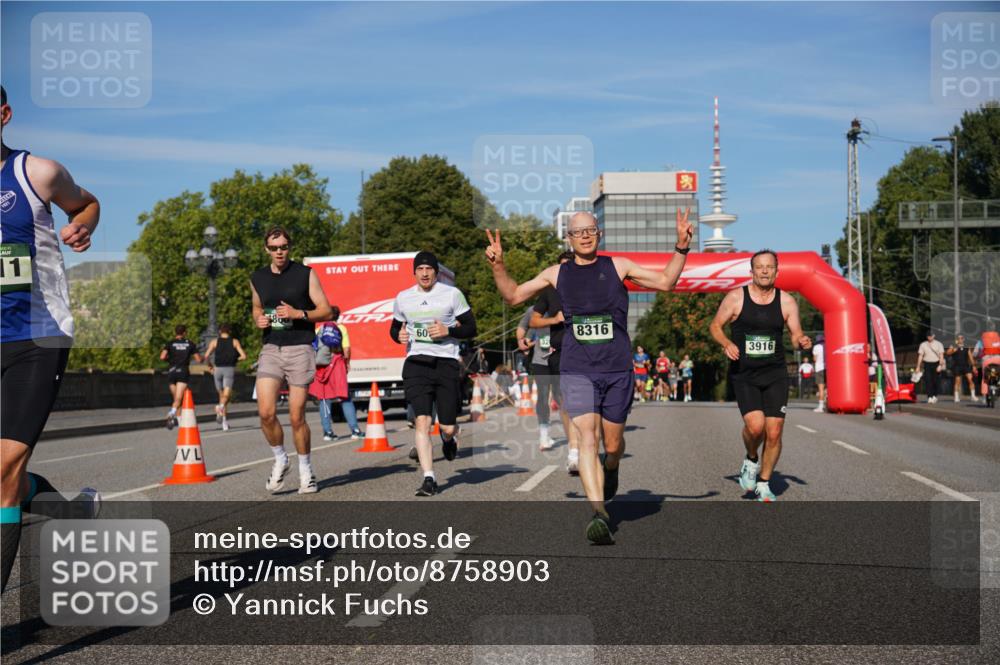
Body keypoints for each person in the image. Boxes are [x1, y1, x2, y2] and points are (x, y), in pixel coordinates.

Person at [486, 208, 693, 544]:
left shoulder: (618, 266)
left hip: (616, 369)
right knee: (587, 437)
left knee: (612, 445)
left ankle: (612, 466)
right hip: (577, 368)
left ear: (600, 234)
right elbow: (512, 296)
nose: (584, 235)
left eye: (590, 230)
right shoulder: (556, 273)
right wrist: (498, 265)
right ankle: (599, 514)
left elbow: (666, 282)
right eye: (577, 231)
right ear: (568, 238)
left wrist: (681, 248)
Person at [1, 85, 102, 592]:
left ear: (4, 114)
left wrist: (81, 226)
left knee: (3, 468)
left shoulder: (37, 172)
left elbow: (86, 204)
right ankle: (68, 509)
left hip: (37, 336)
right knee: (6, 476)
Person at [709, 249, 812, 503]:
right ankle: (751, 457)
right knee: (755, 428)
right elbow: (714, 325)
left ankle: (764, 483)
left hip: (775, 372)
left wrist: (802, 341)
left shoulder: (787, 301)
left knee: (774, 432)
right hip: (745, 373)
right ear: (751, 271)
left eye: (769, 267)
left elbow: (796, 334)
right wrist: (725, 343)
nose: (764, 271)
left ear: (777, 272)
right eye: (759, 267)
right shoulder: (736, 298)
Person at [251, 227, 333, 494]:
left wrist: (299, 313)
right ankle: (280, 458)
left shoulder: (305, 274)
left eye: (284, 247)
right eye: (274, 248)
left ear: (290, 247)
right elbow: (256, 306)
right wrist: (258, 319)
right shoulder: (258, 278)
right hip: (271, 348)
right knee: (265, 413)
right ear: (266, 249)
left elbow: (326, 310)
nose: (279, 252)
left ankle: (306, 470)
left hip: (299, 348)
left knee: (297, 416)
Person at [391, 251, 477, 497]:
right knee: (422, 420)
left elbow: (471, 327)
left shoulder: (452, 294)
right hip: (416, 363)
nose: (425, 273)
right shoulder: (403, 298)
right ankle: (429, 478)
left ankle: (449, 439)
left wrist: (447, 330)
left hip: (446, 363)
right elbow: (394, 328)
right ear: (414, 272)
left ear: (436, 273)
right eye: (420, 269)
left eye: (429, 269)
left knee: (447, 426)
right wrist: (399, 336)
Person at [528, 251, 579, 465]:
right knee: (566, 403)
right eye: (561, 267)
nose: (565, 270)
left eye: (569, 266)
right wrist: (554, 320)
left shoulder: (589, 287)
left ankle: (589, 442)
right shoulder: (550, 292)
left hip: (589, 351)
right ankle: (574, 453)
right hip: (559, 354)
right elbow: (533, 321)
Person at [309, 307, 364, 441]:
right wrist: (347, 362)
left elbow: (313, 349)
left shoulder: (318, 330)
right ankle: (355, 430)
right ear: (337, 316)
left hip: (322, 367)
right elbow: (346, 349)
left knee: (324, 399)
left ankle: (327, 432)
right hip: (337, 364)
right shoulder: (341, 329)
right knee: (344, 397)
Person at [159, 324, 203, 429]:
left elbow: (162, 357)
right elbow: (198, 359)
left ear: (176, 332)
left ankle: (179, 422)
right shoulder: (190, 344)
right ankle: (172, 413)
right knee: (179, 398)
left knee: (176, 399)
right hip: (183, 371)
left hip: (172, 371)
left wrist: (170, 360)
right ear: (184, 333)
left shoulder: (170, 343)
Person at [205, 323, 247, 431]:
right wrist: (235, 359)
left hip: (217, 369)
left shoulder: (214, 342)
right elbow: (244, 356)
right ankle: (220, 409)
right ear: (230, 332)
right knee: (226, 396)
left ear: (219, 331)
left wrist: (210, 366)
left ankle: (224, 423)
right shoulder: (234, 341)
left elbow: (206, 356)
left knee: (221, 397)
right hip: (229, 369)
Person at [916, 331, 945, 404]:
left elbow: (941, 355)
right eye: (928, 336)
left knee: (935, 381)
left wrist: (940, 365)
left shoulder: (939, 344)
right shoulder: (923, 344)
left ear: (934, 336)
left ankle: (935, 395)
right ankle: (929, 396)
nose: (929, 337)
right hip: (927, 363)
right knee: (928, 380)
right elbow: (920, 356)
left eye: (931, 336)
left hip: (936, 363)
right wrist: (918, 366)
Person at [946, 334, 977, 403]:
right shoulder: (953, 346)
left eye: (962, 338)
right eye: (959, 338)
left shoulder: (967, 347)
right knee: (957, 382)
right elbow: (947, 353)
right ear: (957, 339)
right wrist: (953, 350)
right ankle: (956, 397)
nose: (960, 339)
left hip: (966, 366)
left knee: (970, 380)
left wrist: (974, 365)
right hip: (957, 366)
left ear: (963, 339)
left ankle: (973, 396)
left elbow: (970, 356)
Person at [976, 321, 1000, 398]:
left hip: (986, 359)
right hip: (997, 359)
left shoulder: (982, 339)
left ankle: (984, 395)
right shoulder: (998, 338)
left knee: (984, 377)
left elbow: (976, 351)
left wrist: (976, 356)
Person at [812, 333, 826, 412]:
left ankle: (821, 406)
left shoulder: (816, 347)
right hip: (827, 368)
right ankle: (828, 404)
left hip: (819, 368)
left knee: (821, 388)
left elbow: (815, 359)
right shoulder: (827, 345)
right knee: (827, 389)